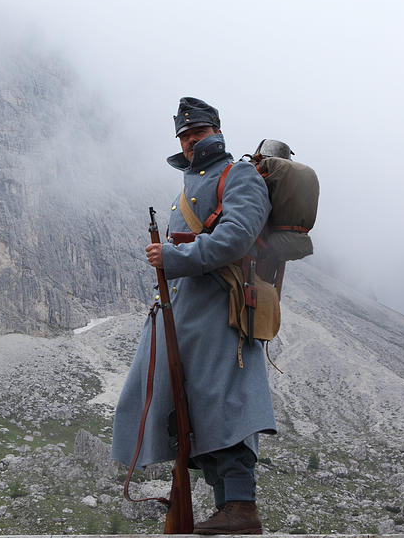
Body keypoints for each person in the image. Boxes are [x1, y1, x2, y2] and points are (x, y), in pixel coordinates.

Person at [111, 97, 276, 535]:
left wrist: (171, 256)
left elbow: (235, 239)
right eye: (184, 136)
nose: (190, 143)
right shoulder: (185, 190)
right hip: (181, 317)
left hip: (220, 314)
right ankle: (228, 510)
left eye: (197, 133)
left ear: (216, 132)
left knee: (227, 407)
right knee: (196, 416)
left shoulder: (239, 176)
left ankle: (240, 507)